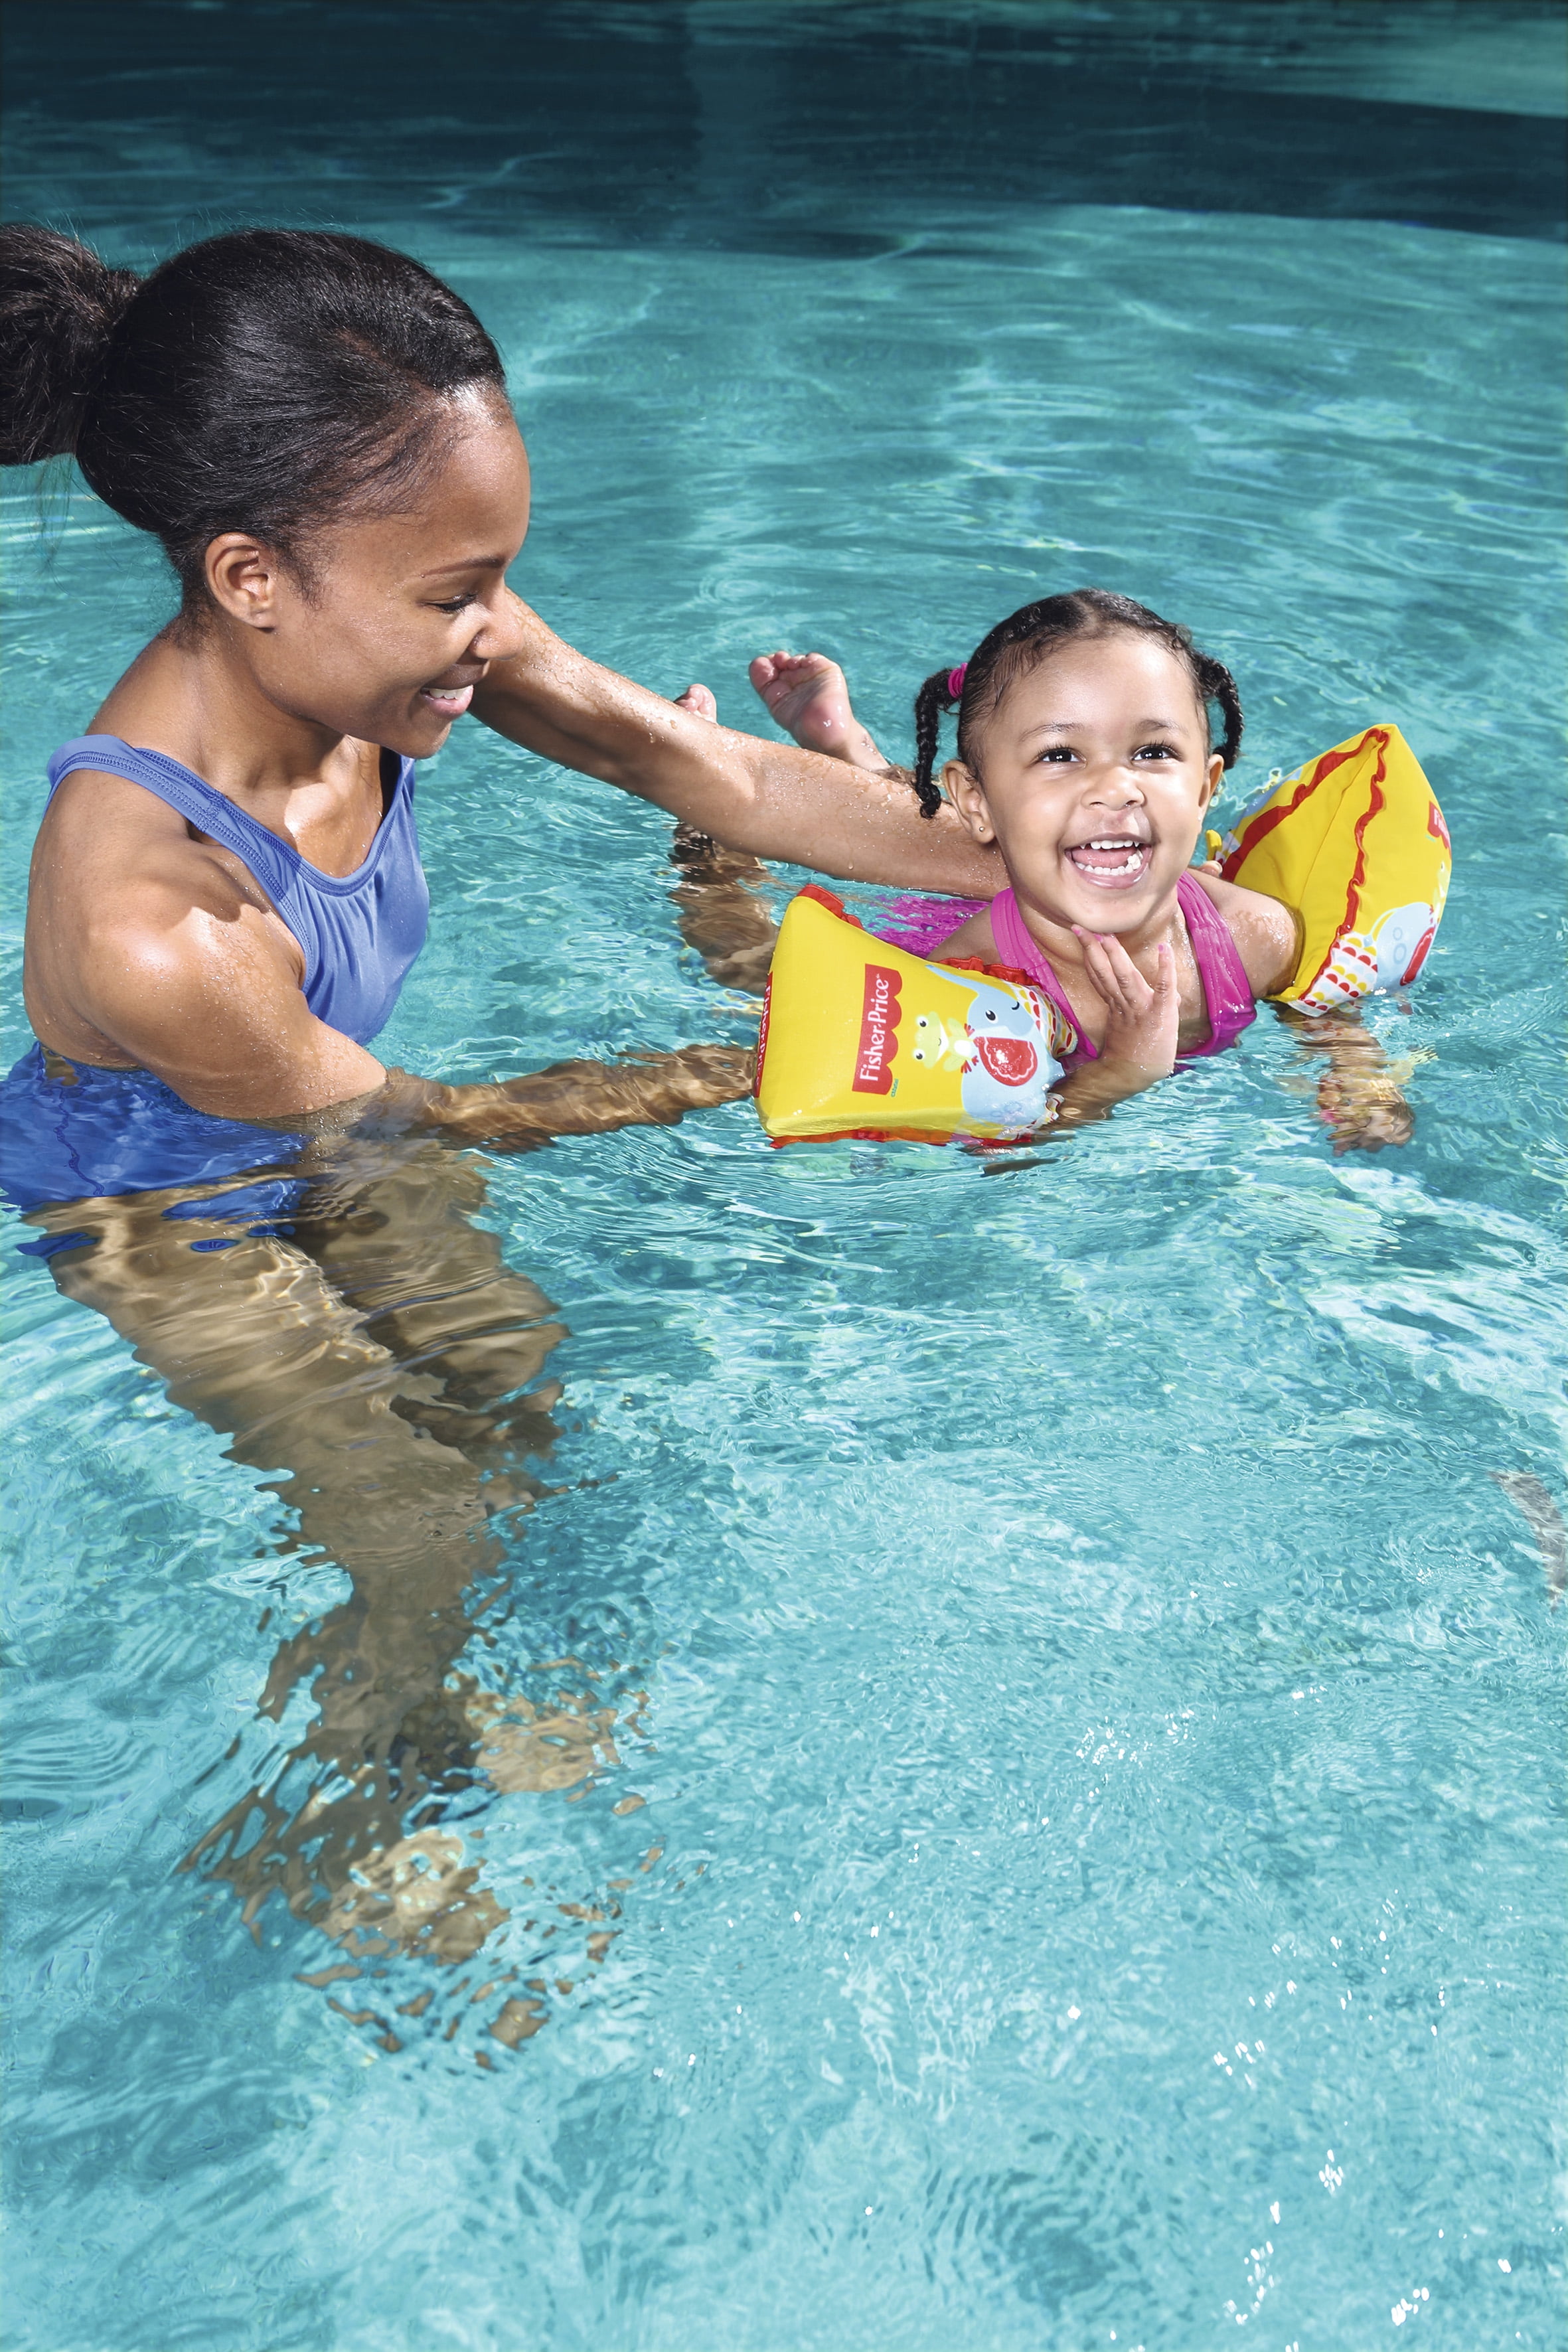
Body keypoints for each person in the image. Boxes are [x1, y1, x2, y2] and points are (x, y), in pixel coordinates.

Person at [738, 595, 1417, 1150]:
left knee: (964, 836)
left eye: (1153, 751)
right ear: (973, 798)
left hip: (1044, 861)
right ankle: (713, 853)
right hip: (941, 922)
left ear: (1207, 786)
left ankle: (846, 744)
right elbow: (993, 1161)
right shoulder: (968, 979)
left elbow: (1321, 1004)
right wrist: (1115, 1076)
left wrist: (1355, 1066)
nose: (1117, 787)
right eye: (1061, 754)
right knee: (744, 973)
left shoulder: (1255, 935)